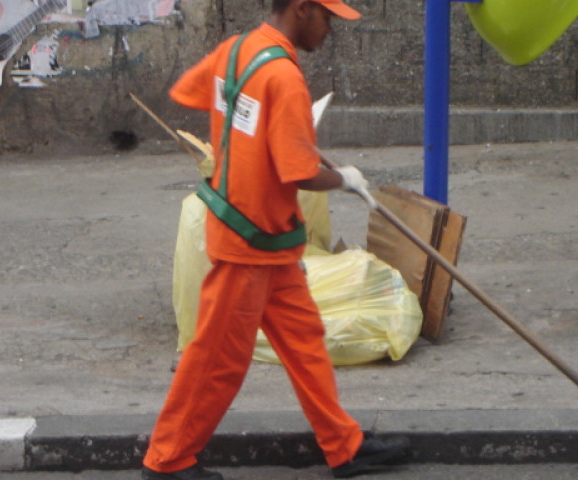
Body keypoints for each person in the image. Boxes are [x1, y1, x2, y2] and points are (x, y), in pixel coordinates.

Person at [140, 0, 410, 479]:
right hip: (247, 245)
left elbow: (192, 91)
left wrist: (254, 127)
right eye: (328, 18)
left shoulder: (236, 49)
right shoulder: (283, 77)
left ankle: (344, 447)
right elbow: (299, 172)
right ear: (303, 9)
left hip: (269, 240)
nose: (331, 30)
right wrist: (345, 179)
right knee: (216, 361)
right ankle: (167, 460)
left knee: (306, 345)